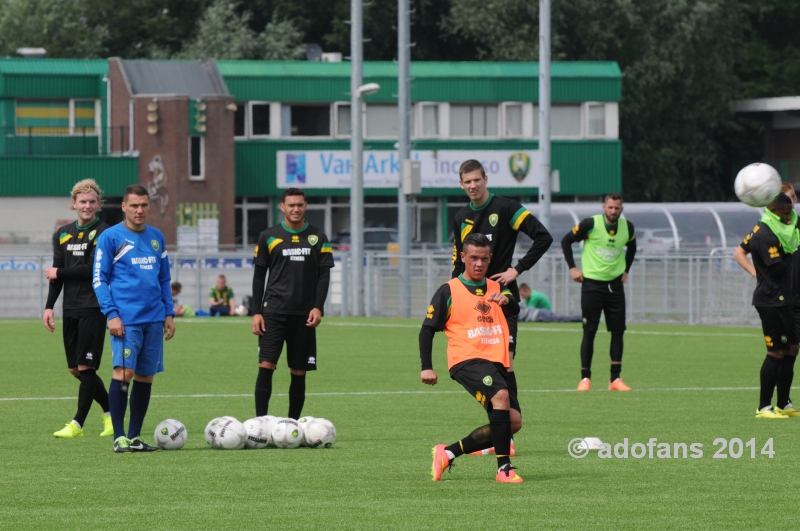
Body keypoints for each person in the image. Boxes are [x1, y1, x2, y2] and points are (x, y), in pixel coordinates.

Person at [451, 159, 552, 455]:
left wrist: (516, 270)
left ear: (485, 178)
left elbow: (543, 236)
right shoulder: (460, 217)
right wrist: (454, 298)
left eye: (476, 180)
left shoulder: (507, 208)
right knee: (485, 369)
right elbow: (459, 261)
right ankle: (501, 438)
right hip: (472, 304)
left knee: (504, 363)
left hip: (503, 302)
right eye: (466, 182)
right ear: (461, 184)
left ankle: (503, 436)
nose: (472, 186)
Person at [422, 233, 523, 483]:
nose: (479, 263)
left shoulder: (498, 286)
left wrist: (506, 300)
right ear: (464, 258)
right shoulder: (449, 290)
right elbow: (427, 329)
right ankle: (504, 469)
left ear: (490, 260)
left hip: (499, 362)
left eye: (484, 259)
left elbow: (515, 308)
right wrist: (427, 367)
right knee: (500, 397)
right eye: (474, 258)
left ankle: (448, 453)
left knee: (512, 423)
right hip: (466, 360)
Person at [93, 184, 176, 453]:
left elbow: (164, 278)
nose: (139, 210)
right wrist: (111, 314)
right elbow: (99, 279)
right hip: (125, 319)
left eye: (143, 205)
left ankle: (135, 437)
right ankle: (119, 438)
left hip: (154, 318)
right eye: (134, 206)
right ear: (124, 207)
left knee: (145, 377)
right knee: (124, 373)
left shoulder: (157, 238)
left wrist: (169, 312)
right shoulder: (111, 237)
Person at [251, 188, 334, 420]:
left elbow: (324, 276)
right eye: (291, 205)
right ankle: (260, 424)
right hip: (273, 313)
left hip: (304, 315)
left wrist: (318, 306)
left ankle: (292, 425)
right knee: (266, 365)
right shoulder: (268, 236)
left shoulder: (318, 237)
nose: (295, 209)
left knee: (299, 371)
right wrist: (256, 312)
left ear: (305, 206)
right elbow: (259, 277)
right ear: (282, 207)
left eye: (299, 205)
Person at [43, 179, 113, 439]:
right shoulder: (62, 233)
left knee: (85, 367)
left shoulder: (105, 233)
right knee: (76, 368)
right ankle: (111, 415)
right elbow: (56, 276)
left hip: (94, 306)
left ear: (98, 205)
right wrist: (49, 306)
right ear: (74, 204)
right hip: (70, 307)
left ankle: (77, 424)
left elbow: (93, 269)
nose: (87, 206)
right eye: (83, 201)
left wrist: (58, 270)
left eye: (92, 202)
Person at [561, 192, 637, 392]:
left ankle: (615, 379)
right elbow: (565, 241)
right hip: (592, 285)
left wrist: (626, 270)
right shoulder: (590, 224)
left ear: (622, 209)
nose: (613, 211)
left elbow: (633, 247)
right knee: (590, 331)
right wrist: (573, 268)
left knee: (618, 332)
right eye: (610, 207)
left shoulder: (627, 228)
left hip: (615, 287)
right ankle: (585, 378)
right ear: (604, 207)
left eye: (617, 208)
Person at [735, 191, 800, 418]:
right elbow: (777, 268)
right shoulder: (766, 235)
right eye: (786, 213)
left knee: (792, 348)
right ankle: (764, 406)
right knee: (776, 352)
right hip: (771, 301)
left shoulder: (782, 229)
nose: (790, 217)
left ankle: (784, 403)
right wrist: (790, 251)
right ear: (773, 210)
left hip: (786, 298)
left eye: (791, 212)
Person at [517, 283, 582, 323]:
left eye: (522, 294)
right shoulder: (529, 297)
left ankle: (583, 317)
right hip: (542, 313)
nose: (522, 297)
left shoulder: (534, 296)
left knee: (563, 319)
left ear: (527, 290)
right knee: (562, 318)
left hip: (542, 314)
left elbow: (530, 309)